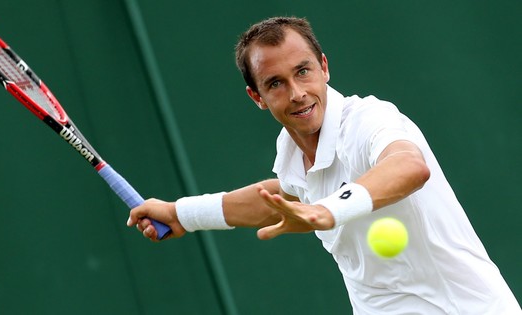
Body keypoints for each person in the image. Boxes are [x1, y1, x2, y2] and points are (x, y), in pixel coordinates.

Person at [127, 16, 521, 314]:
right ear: (257, 97)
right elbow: (277, 198)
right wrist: (183, 214)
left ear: (324, 67)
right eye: (276, 83)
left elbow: (408, 166)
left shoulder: (369, 119)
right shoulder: (292, 154)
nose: (297, 93)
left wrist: (327, 210)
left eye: (303, 71)